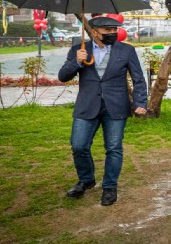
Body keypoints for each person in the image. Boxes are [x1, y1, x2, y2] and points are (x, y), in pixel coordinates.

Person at [58, 15, 148, 206]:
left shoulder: (127, 50)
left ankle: (109, 186)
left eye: (115, 30)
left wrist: (140, 102)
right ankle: (86, 180)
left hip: (116, 107)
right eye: (108, 30)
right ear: (94, 32)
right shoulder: (78, 50)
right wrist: (77, 62)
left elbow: (138, 79)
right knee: (79, 145)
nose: (113, 33)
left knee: (114, 148)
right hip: (87, 106)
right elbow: (63, 77)